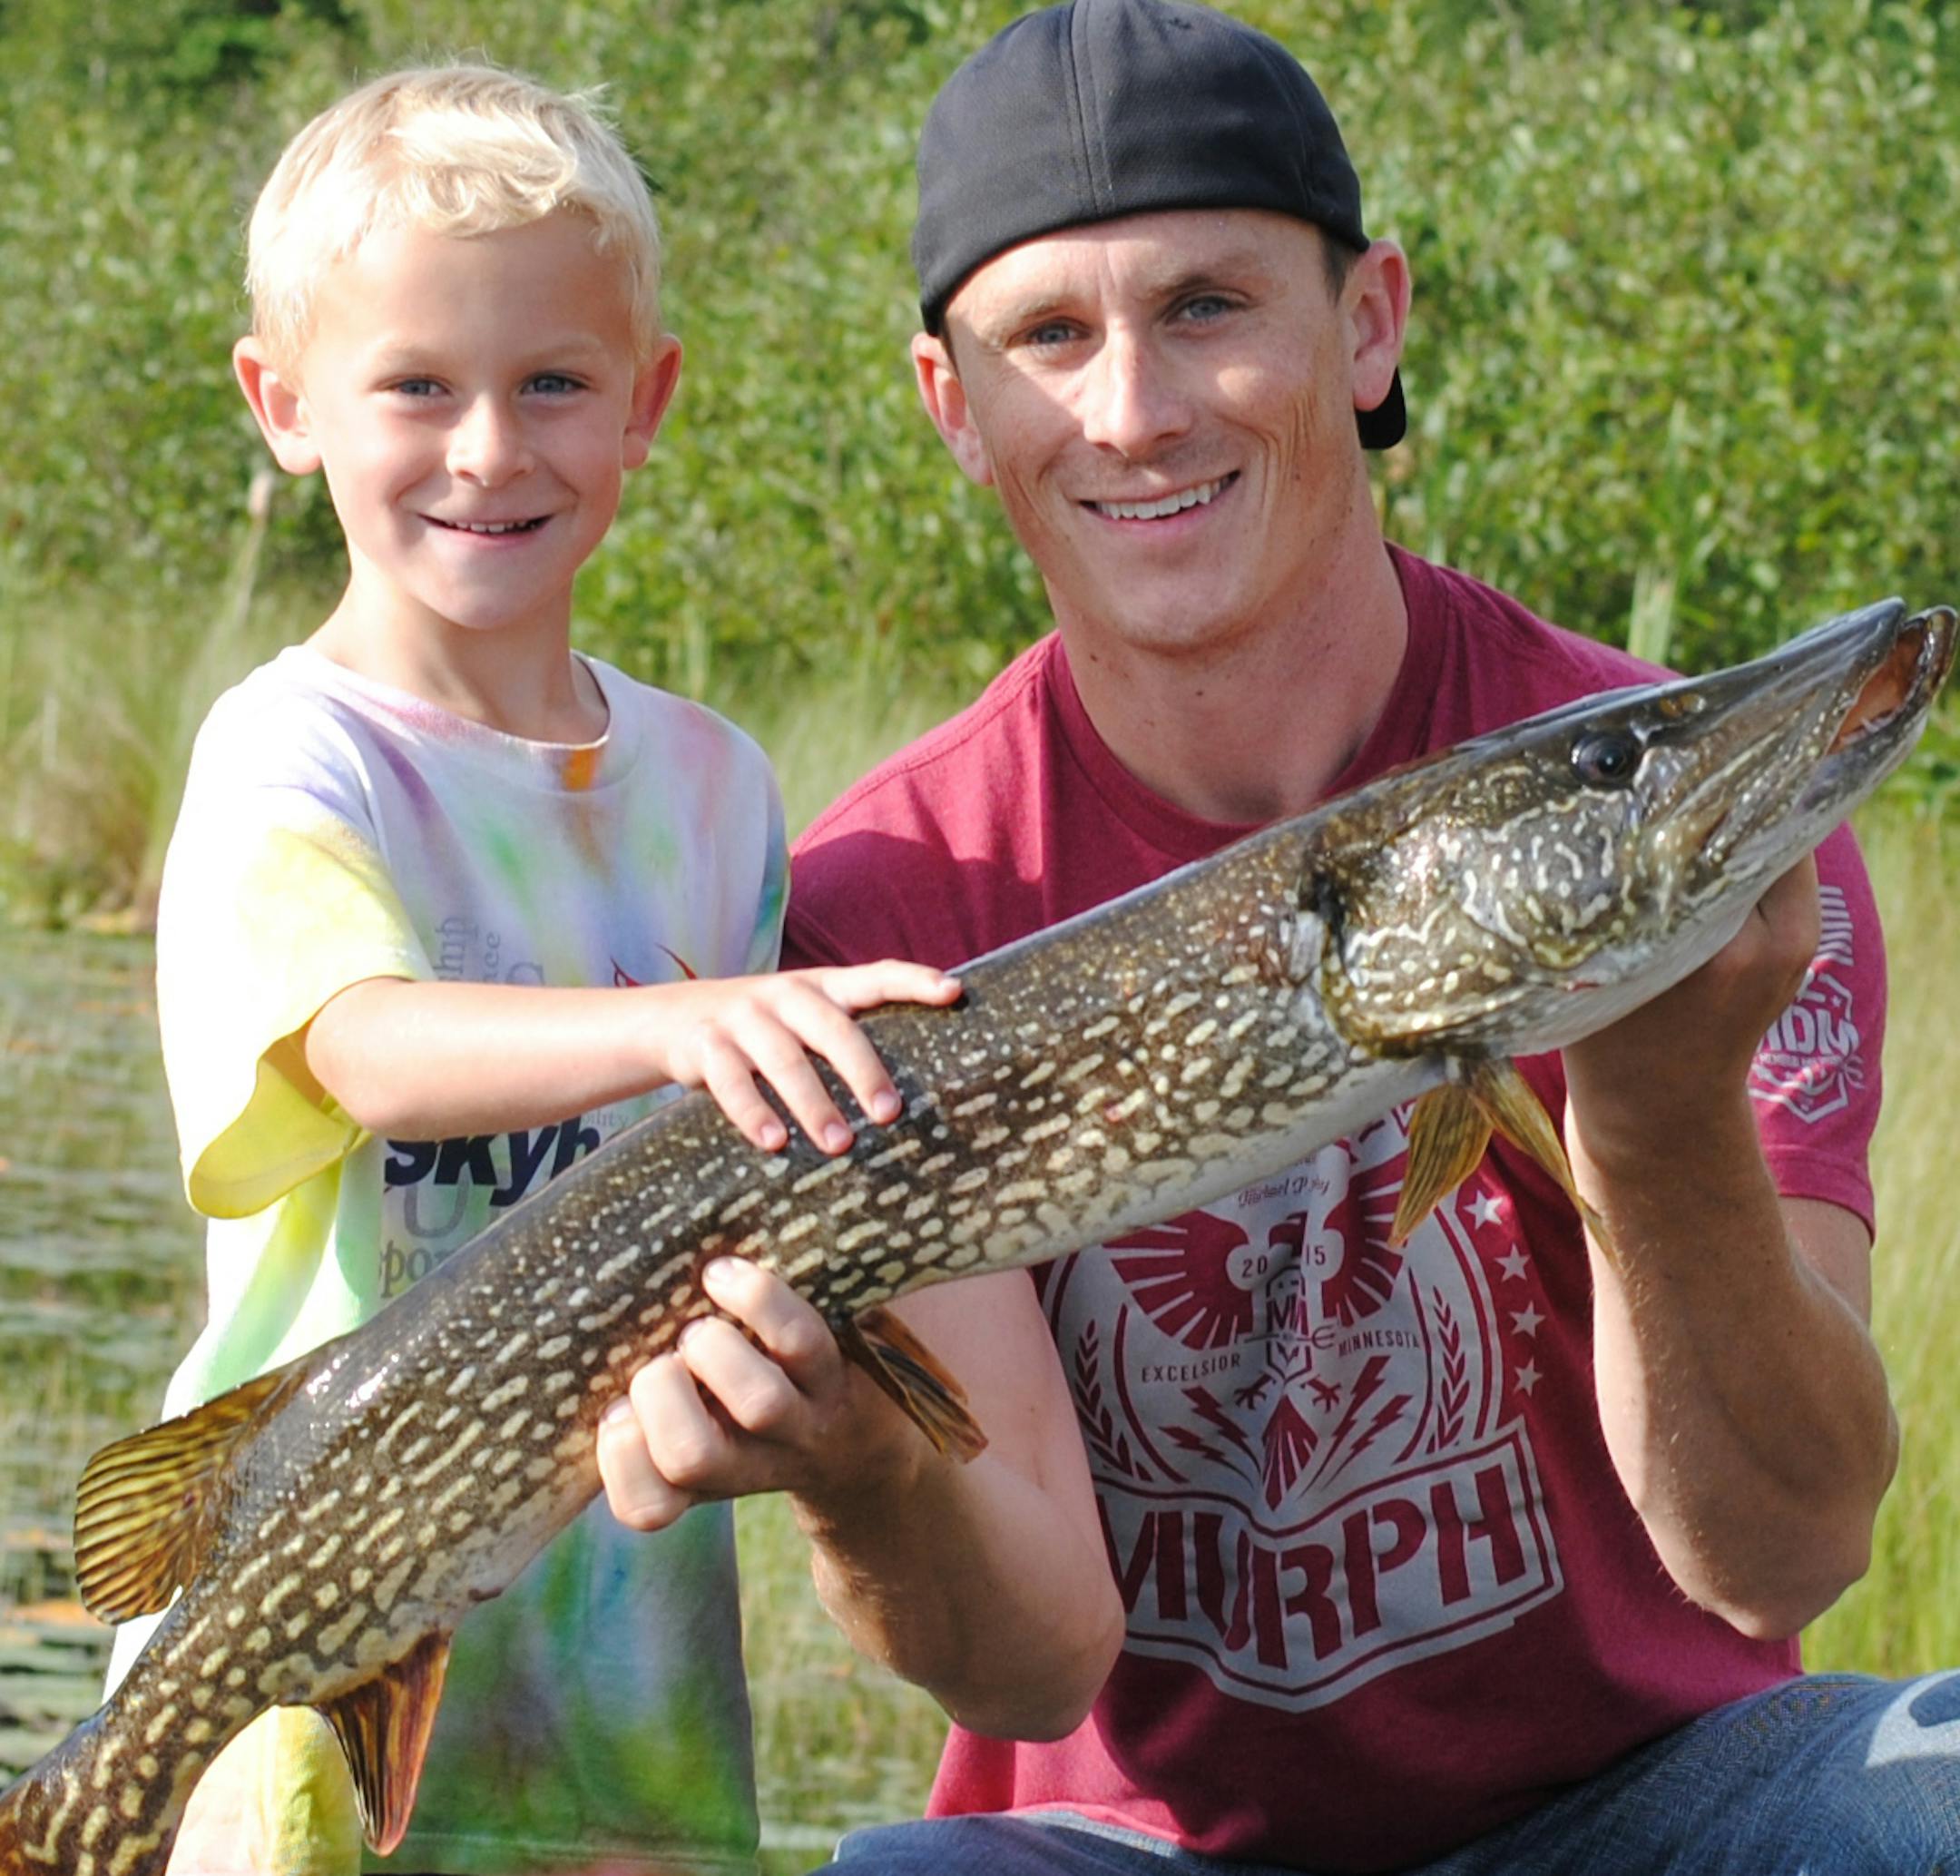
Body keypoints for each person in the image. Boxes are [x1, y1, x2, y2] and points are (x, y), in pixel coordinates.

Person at [594, 1, 1960, 1871]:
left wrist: (1655, 1117)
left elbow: (1782, 1552)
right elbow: (1029, 1659)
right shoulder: (882, 910)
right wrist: (853, 1469)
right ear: (954, 409)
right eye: (1050, 338)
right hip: (1141, 1844)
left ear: (1372, 320)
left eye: (1210, 306)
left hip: (1652, 1809)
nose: (1135, 409)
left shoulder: (1663, 828)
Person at [122, 64, 958, 1876]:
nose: (489, 448)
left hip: (626, 1711)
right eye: (416, 385)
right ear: (286, 407)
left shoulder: (720, 784)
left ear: (645, 405)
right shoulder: (292, 761)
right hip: (297, 1683)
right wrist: (675, 1019)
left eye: (551, 384)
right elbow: (366, 1050)